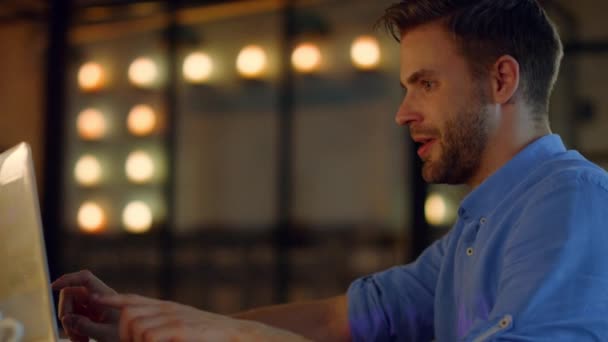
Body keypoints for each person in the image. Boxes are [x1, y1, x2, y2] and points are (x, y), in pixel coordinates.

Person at [53, 0, 608, 341]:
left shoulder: (570, 200)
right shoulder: (479, 226)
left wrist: (236, 337)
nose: (403, 112)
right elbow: (342, 320)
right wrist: (149, 321)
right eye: (406, 87)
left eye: (427, 83)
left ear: (501, 81)